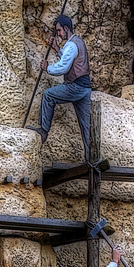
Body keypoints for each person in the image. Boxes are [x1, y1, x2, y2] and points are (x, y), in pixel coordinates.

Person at [33, 15, 92, 160]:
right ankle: (90, 158)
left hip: (76, 87)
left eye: (59, 31)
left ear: (66, 28)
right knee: (86, 126)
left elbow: (63, 67)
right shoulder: (77, 42)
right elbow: (68, 58)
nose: (58, 34)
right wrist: (57, 49)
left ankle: (44, 131)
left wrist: (48, 68)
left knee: (48, 95)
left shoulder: (71, 45)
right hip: (85, 88)